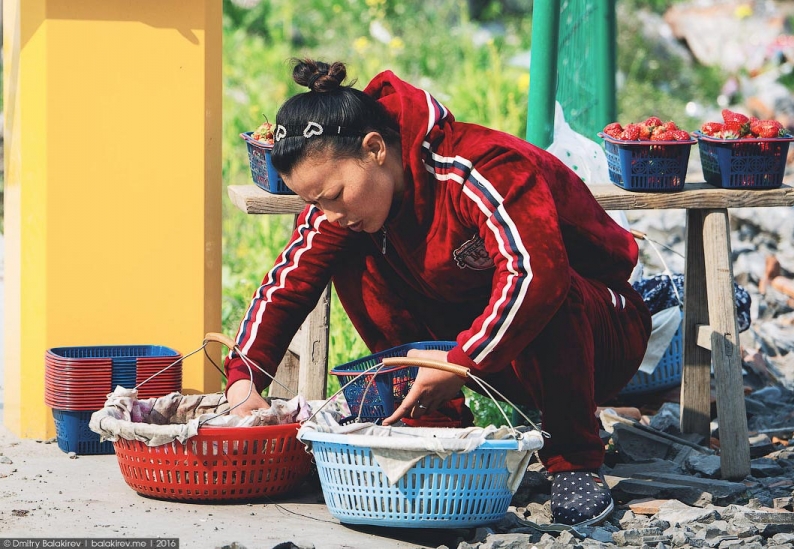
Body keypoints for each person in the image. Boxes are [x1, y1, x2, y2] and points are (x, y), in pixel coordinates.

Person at [224, 58, 652, 527]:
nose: (327, 213)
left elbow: (536, 274)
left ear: (373, 150)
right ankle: (432, 428)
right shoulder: (344, 207)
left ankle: (574, 460)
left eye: (333, 194)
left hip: (601, 335)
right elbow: (288, 283)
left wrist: (461, 360)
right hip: (487, 348)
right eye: (314, 203)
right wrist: (244, 379)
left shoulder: (481, 164)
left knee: (551, 284)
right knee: (347, 251)